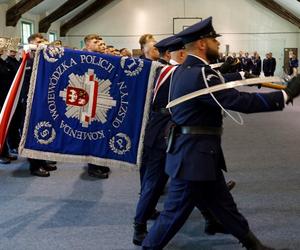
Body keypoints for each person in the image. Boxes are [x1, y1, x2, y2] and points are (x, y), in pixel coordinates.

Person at [142, 16, 300, 250]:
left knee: (224, 205)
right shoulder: (201, 74)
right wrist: (285, 95)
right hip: (193, 155)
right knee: (173, 213)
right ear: (203, 43)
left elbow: (216, 83)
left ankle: (254, 246)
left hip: (199, 152)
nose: (218, 44)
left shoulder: (186, 71)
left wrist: (242, 77)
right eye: (214, 40)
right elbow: (240, 101)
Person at [133, 36, 237, 246]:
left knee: (194, 179)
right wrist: (234, 73)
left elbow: (203, 77)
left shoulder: (168, 71)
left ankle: (211, 219)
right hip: (163, 133)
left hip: (172, 132)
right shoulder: (172, 72)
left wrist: (226, 70)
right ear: (180, 54)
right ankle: (139, 226)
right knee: (155, 182)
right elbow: (203, 83)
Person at [19, 33, 57, 177]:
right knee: (32, 133)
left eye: (44, 41)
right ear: (31, 44)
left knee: (43, 129)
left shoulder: (44, 61)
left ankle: (41, 160)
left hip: (42, 102)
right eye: (39, 41)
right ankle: (34, 165)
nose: (43, 44)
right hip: (30, 104)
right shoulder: (27, 61)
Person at [83, 34, 110, 179]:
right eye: (95, 42)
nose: (100, 44)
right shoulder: (82, 58)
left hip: (100, 100)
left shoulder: (103, 59)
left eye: (100, 42)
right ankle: (93, 166)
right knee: (92, 135)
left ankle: (100, 161)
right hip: (88, 103)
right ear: (87, 45)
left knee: (101, 133)